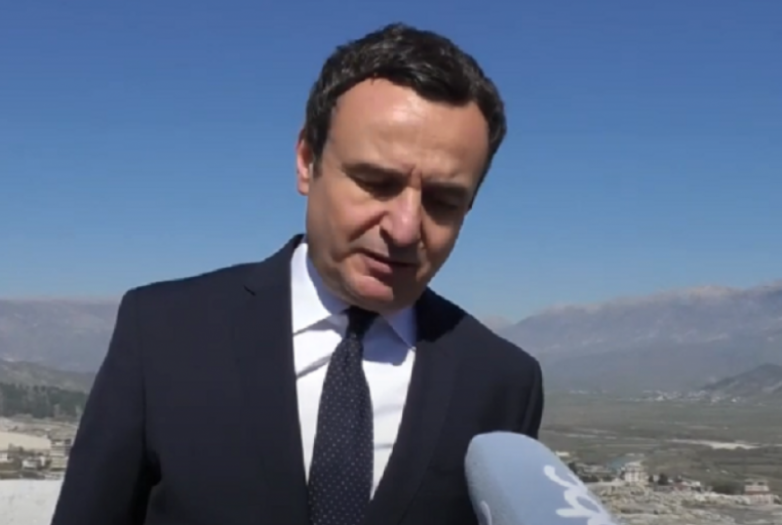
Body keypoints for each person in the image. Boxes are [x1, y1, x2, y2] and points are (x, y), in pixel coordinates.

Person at [50, 22, 543, 525]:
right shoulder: (163, 331)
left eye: (443, 200)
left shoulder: (502, 383)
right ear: (308, 161)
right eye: (376, 182)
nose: (403, 228)